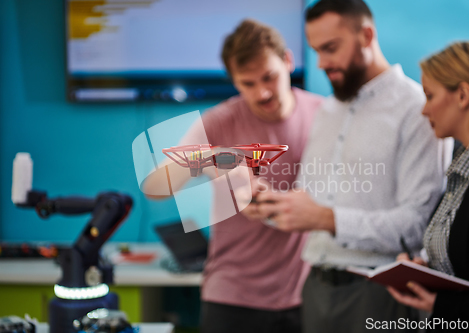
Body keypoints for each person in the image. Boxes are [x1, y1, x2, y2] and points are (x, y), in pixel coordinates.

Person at [245, 1, 451, 332]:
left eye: (330, 48)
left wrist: (327, 218)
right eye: (316, 51)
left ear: (366, 35)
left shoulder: (417, 110)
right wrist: (272, 205)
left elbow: (418, 226)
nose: (322, 63)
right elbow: (311, 201)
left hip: (382, 293)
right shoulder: (328, 111)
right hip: (316, 289)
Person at [143, 19, 324, 333]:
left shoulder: (325, 115)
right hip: (231, 297)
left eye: (269, 77)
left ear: (288, 61)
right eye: (248, 83)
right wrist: (214, 161)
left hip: (306, 295)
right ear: (234, 81)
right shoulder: (220, 121)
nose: (263, 92)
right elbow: (154, 188)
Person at [387, 41, 469, 330]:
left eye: (429, 95)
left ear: (462, 95)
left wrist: (446, 306)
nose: (424, 110)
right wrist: (430, 272)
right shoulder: (464, 159)